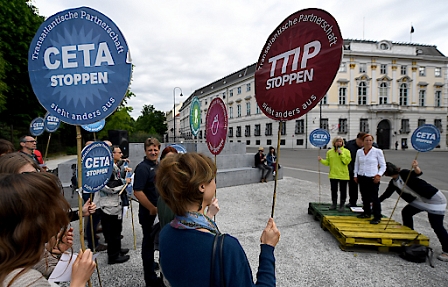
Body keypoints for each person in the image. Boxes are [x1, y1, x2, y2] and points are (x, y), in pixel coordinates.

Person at [157, 153, 280, 287]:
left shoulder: (165, 233)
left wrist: (208, 216)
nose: (215, 184)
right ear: (202, 186)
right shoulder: (227, 248)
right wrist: (268, 248)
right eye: (212, 179)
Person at [0, 172, 95, 287]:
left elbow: (45, 271)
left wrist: (51, 252)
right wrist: (79, 281)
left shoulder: (11, 256)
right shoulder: (28, 281)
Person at [380, 160, 448, 262]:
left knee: (437, 226)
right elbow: (386, 194)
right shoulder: (393, 182)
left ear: (386, 172)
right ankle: (409, 236)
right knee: (406, 212)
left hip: (434, 199)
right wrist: (375, 202)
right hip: (420, 201)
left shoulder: (403, 173)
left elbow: (417, 173)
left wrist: (416, 167)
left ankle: (447, 251)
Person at [133, 137, 163, 286]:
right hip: (149, 214)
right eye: (150, 150)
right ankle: (150, 278)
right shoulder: (143, 168)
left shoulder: (158, 165)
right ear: (145, 151)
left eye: (155, 149)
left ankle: (152, 264)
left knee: (157, 242)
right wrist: (152, 208)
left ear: (159, 149)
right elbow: (137, 191)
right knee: (148, 244)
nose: (153, 152)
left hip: (159, 213)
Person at [98, 145, 132, 264]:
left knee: (117, 229)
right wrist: (124, 182)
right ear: (112, 154)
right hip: (109, 205)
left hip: (115, 203)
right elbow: (109, 186)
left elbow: (116, 177)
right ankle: (113, 256)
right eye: (119, 152)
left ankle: (117, 250)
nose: (121, 154)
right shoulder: (106, 168)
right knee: (112, 232)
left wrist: (123, 172)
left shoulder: (114, 166)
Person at [354, 134, 386, 224]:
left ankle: (377, 216)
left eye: (370, 140)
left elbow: (383, 165)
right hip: (362, 176)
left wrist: (379, 175)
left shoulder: (377, 151)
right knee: (364, 196)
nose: (368, 142)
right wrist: (355, 175)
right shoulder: (359, 152)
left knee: (374, 198)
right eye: (366, 140)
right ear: (363, 142)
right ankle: (366, 212)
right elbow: (357, 164)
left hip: (372, 177)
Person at [318, 136, 351, 211]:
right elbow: (328, 163)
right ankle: (334, 204)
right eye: (337, 141)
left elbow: (346, 162)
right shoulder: (330, 152)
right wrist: (321, 160)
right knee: (333, 190)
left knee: (343, 190)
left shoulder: (346, 151)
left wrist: (341, 154)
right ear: (334, 143)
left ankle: (342, 205)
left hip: (343, 174)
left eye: (340, 141)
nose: (339, 143)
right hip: (333, 174)